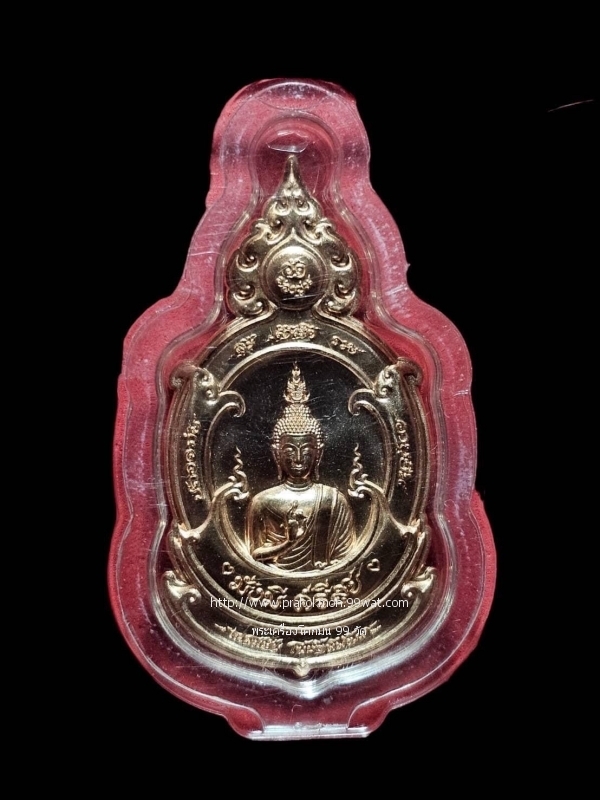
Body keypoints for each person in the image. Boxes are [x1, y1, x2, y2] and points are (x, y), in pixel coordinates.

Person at [246, 364, 355, 571]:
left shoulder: (334, 500)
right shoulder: (262, 502)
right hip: (273, 582)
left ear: (318, 453)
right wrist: (289, 543)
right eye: (289, 450)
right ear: (277, 454)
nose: (298, 459)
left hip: (326, 584)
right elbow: (255, 556)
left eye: (306, 450)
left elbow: (345, 559)